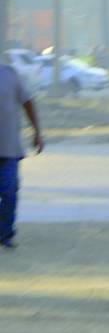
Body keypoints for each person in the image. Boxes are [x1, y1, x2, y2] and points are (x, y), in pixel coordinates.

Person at [0, 53, 43, 250]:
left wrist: (37, 132)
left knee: (9, 192)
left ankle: (5, 233)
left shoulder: (9, 74)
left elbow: (28, 103)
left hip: (9, 149)